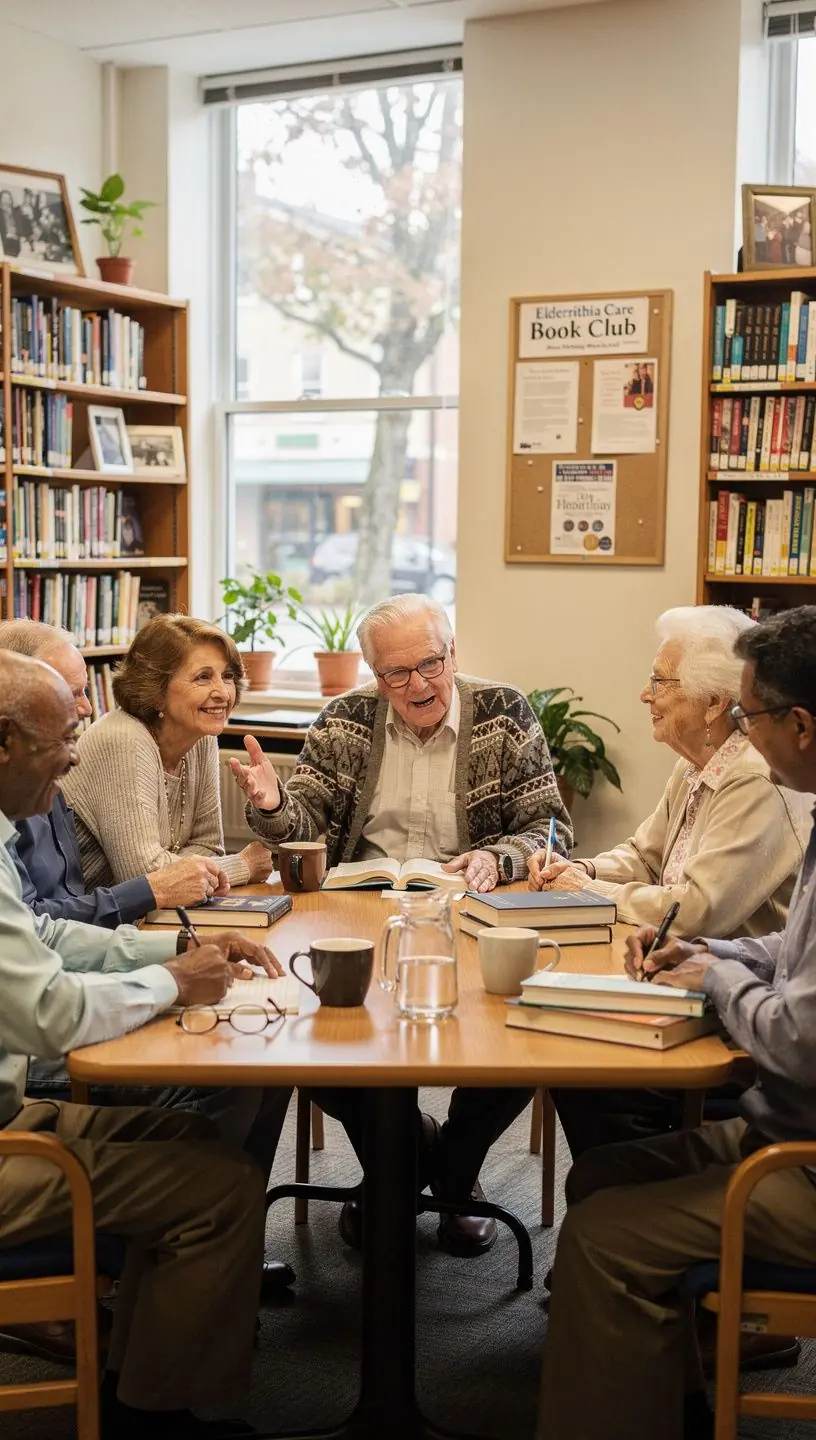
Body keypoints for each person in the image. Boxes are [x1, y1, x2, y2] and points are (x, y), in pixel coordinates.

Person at [538, 605, 816, 1440]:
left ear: (799, 725)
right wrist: (722, 958)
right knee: (601, 1175)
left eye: (752, 713)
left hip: (800, 1161)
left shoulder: (766, 789)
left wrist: (717, 976)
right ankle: (672, 1396)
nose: (743, 727)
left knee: (598, 1232)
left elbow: (799, 1042)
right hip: (784, 1134)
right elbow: (785, 952)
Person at [232, 592, 572, 1257]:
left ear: (453, 653)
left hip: (469, 914)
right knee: (311, 1027)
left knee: (523, 1033)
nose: (418, 685)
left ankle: (451, 1171)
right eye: (396, 674)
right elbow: (305, 826)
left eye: (431, 664)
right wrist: (273, 806)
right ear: (373, 674)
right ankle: (405, 1159)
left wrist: (497, 855)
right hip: (355, 914)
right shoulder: (345, 718)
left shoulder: (503, 713)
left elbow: (548, 828)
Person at [0, 650, 280, 1439]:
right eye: (61, 738)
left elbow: (48, 933)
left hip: (13, 1112)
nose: (75, 756)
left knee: (192, 1135)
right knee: (217, 1186)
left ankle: (138, 1383)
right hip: (7, 1138)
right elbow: (48, 1015)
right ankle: (158, 1417)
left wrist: (173, 953)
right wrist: (175, 985)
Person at [528, 606, 812, 1159]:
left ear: (711, 703)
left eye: (660, 681)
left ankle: (628, 1187)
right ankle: (616, 1185)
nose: (644, 694)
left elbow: (698, 909)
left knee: (578, 1056)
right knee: (558, 1037)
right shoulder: (696, 761)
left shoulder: (755, 777)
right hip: (687, 976)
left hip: (737, 1017)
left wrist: (589, 894)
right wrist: (582, 870)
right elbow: (644, 853)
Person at [0, 620, 228, 926]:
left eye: (227, 676)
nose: (88, 709)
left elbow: (64, 917)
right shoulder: (117, 740)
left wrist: (169, 948)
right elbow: (36, 928)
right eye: (70, 693)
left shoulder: (42, 778)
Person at [62, 614, 274, 892]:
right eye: (203, 677)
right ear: (156, 690)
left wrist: (176, 866)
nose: (222, 692)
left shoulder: (200, 737)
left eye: (228, 676)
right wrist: (242, 866)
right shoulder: (123, 738)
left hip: (149, 914)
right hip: (86, 922)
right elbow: (142, 876)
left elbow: (209, 848)